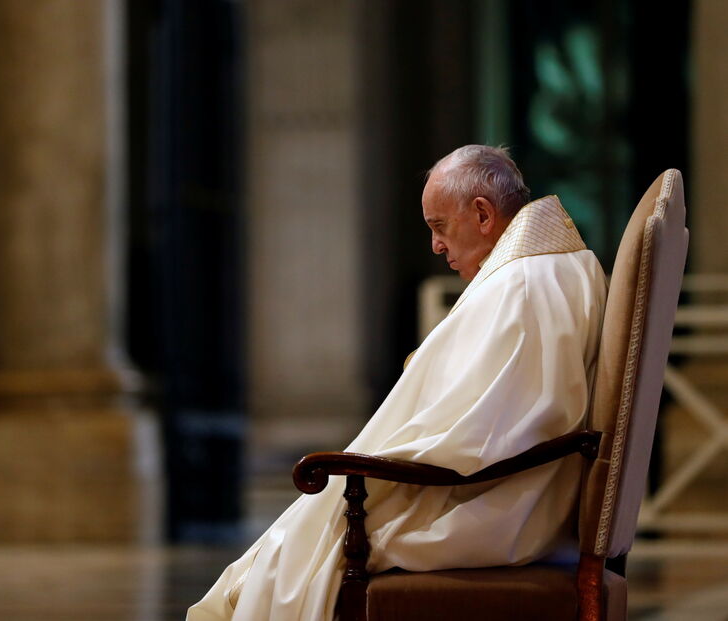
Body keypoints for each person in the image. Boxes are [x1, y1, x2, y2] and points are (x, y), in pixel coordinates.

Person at [187, 145, 608, 621]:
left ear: (483, 214)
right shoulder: (554, 266)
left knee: (296, 560)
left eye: (440, 227)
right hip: (512, 494)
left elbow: (480, 436)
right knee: (288, 550)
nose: (436, 246)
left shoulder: (522, 286)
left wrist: (370, 463)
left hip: (500, 510)